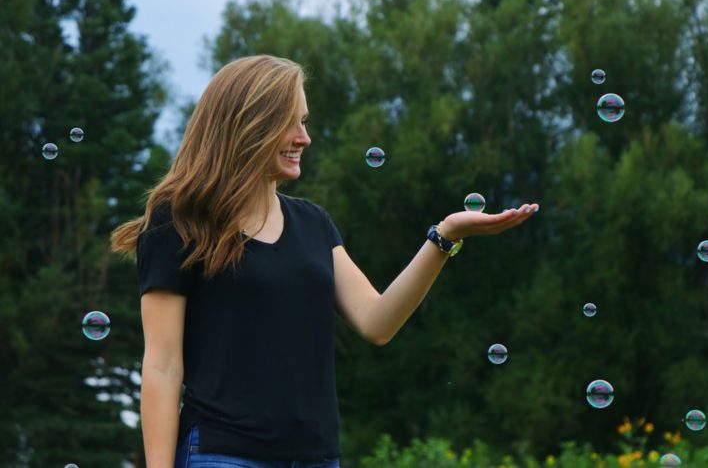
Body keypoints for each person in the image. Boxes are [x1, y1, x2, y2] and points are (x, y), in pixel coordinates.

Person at [110, 54, 538, 468]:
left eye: (305, 121)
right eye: (291, 123)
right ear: (249, 126)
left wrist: (444, 236)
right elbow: (163, 366)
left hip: (316, 459)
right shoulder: (176, 223)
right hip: (222, 455)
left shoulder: (313, 223)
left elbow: (377, 322)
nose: (304, 137)